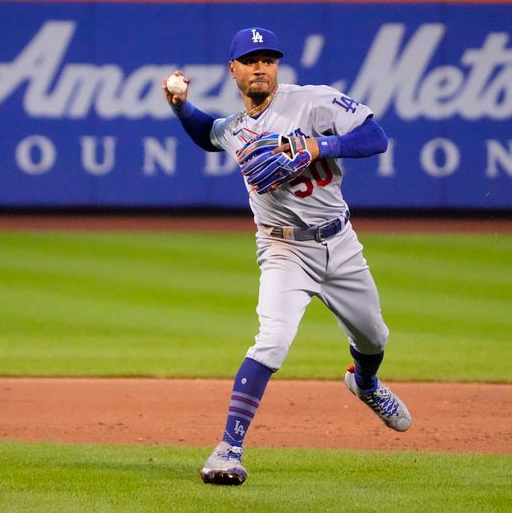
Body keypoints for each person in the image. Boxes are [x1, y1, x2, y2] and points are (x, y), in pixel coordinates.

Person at [163, 26, 411, 486]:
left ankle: (366, 384)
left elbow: (376, 137)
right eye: (252, 59)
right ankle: (227, 450)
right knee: (272, 340)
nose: (262, 66)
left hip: (340, 243)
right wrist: (180, 108)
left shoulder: (311, 102)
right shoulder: (236, 129)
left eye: (269, 59)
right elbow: (207, 134)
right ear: (233, 69)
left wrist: (320, 145)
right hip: (282, 248)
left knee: (374, 337)